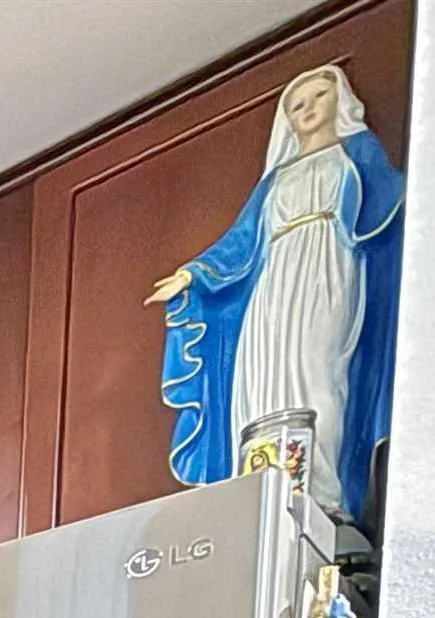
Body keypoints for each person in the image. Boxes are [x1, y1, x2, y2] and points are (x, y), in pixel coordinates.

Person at [148, 64, 404, 520]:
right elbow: (241, 241)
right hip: (273, 285)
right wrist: (193, 275)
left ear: (339, 101)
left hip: (327, 269)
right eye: (296, 105)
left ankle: (321, 493)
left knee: (316, 373)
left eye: (318, 97)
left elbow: (393, 199)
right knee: (264, 384)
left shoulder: (355, 152)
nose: (307, 110)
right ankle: (264, 497)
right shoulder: (275, 182)